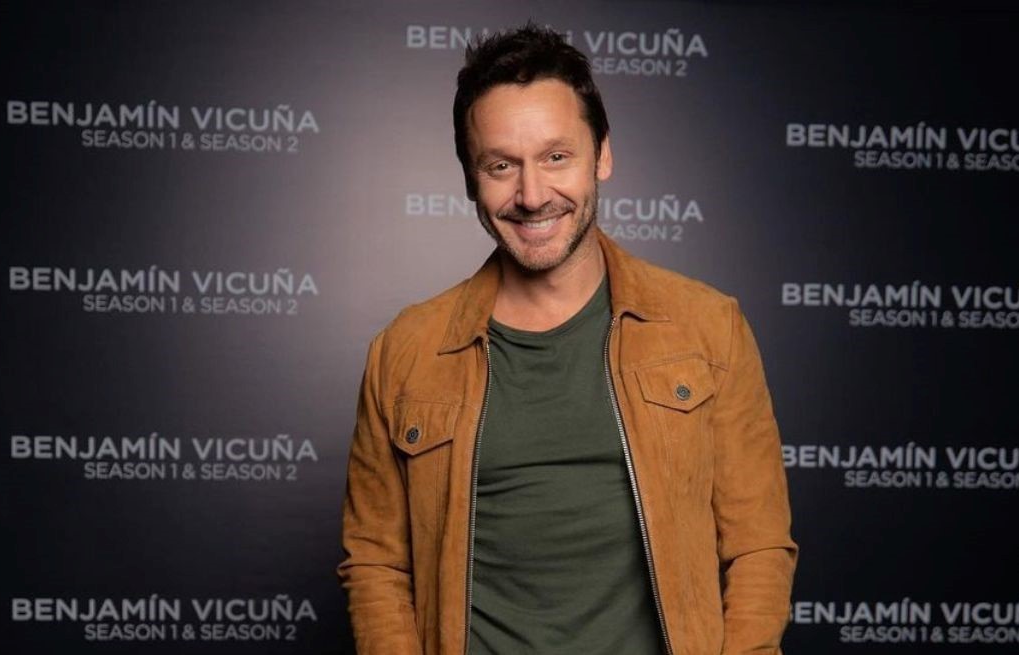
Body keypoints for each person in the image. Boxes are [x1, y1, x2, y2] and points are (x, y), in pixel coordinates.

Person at [338, 23, 797, 655]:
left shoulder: (708, 327)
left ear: (602, 154)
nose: (532, 196)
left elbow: (757, 546)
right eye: (501, 165)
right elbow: (377, 563)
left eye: (557, 157)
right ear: (471, 179)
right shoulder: (405, 352)